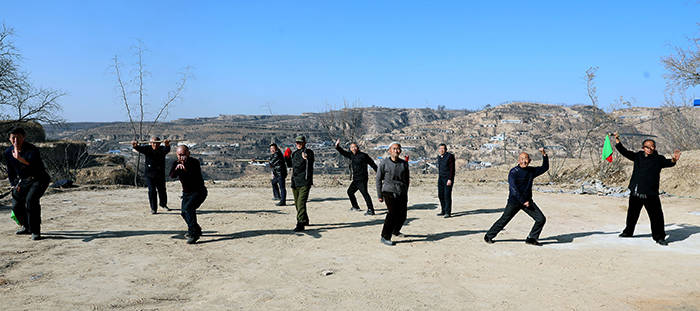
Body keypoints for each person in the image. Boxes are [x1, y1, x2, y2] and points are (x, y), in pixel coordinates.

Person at [614, 133, 681, 246]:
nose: (650, 149)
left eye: (652, 147)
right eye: (647, 147)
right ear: (643, 148)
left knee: (656, 217)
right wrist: (617, 141)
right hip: (636, 192)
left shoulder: (659, 159)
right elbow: (625, 152)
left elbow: (669, 163)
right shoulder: (638, 156)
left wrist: (674, 160)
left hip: (651, 194)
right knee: (632, 214)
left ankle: (659, 237)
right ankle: (628, 232)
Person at [484, 148, 548, 246]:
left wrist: (544, 155)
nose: (524, 161)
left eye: (526, 159)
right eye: (522, 159)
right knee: (504, 220)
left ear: (529, 161)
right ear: (518, 161)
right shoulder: (513, 172)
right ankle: (488, 236)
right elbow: (514, 189)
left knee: (541, 219)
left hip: (527, 201)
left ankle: (531, 238)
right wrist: (523, 201)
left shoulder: (531, 171)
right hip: (515, 202)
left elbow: (545, 168)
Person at [4, 127, 51, 241]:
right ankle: (26, 226)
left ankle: (35, 231)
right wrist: (13, 183)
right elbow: (11, 171)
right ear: (9, 139)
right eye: (13, 138)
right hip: (24, 181)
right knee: (16, 204)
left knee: (31, 201)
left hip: (39, 179)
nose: (16, 141)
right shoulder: (8, 152)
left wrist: (19, 158)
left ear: (23, 137)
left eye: (18, 137)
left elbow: (35, 166)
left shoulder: (32, 150)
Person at [169, 145, 208, 244]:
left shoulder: (194, 162)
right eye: (179, 155)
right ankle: (196, 228)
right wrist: (177, 168)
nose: (181, 157)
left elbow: (194, 176)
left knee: (189, 208)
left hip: (198, 191)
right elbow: (172, 175)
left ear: (188, 153)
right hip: (186, 193)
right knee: (183, 213)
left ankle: (193, 233)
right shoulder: (176, 163)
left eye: (183, 154)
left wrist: (185, 169)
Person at [376, 142, 410, 246]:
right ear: (389, 151)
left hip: (401, 191)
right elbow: (378, 179)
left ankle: (395, 230)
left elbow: (406, 180)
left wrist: (405, 193)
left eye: (398, 149)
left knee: (402, 215)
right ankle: (385, 236)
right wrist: (379, 195)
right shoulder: (384, 163)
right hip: (388, 190)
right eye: (394, 148)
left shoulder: (404, 164)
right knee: (392, 213)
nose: (396, 150)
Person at [335, 139, 378, 215]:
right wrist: (337, 146)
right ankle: (355, 206)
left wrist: (378, 173)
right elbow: (343, 152)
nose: (353, 148)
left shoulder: (363, 155)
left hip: (362, 179)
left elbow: (372, 164)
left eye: (355, 147)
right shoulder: (351, 155)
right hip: (356, 179)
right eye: (352, 147)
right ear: (350, 149)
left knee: (365, 194)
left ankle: (371, 210)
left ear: (357, 148)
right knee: (350, 192)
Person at [132, 137, 171, 214]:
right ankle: (153, 208)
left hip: (160, 174)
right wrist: (135, 145)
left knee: (162, 190)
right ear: (150, 143)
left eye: (157, 143)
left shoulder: (162, 149)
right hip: (149, 175)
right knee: (152, 191)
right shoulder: (147, 149)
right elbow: (139, 148)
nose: (155, 144)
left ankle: (163, 204)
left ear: (160, 143)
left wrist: (167, 144)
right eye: (153, 142)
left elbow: (167, 149)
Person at [285, 135, 314, 232]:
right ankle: (305, 219)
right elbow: (291, 165)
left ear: (304, 143)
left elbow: (307, 163)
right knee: (297, 204)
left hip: (305, 182)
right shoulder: (295, 153)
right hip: (295, 182)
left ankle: (300, 223)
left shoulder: (309, 152)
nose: (298, 144)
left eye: (300, 142)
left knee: (301, 203)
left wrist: (306, 158)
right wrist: (287, 157)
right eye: (297, 142)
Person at [436, 143, 455, 218]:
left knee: (447, 195)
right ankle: (443, 210)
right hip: (440, 178)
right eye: (440, 149)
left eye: (443, 149)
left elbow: (452, 169)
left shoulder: (450, 156)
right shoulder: (439, 157)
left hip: (448, 178)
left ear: (446, 149)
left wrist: (450, 179)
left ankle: (448, 212)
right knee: (441, 195)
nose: (441, 150)